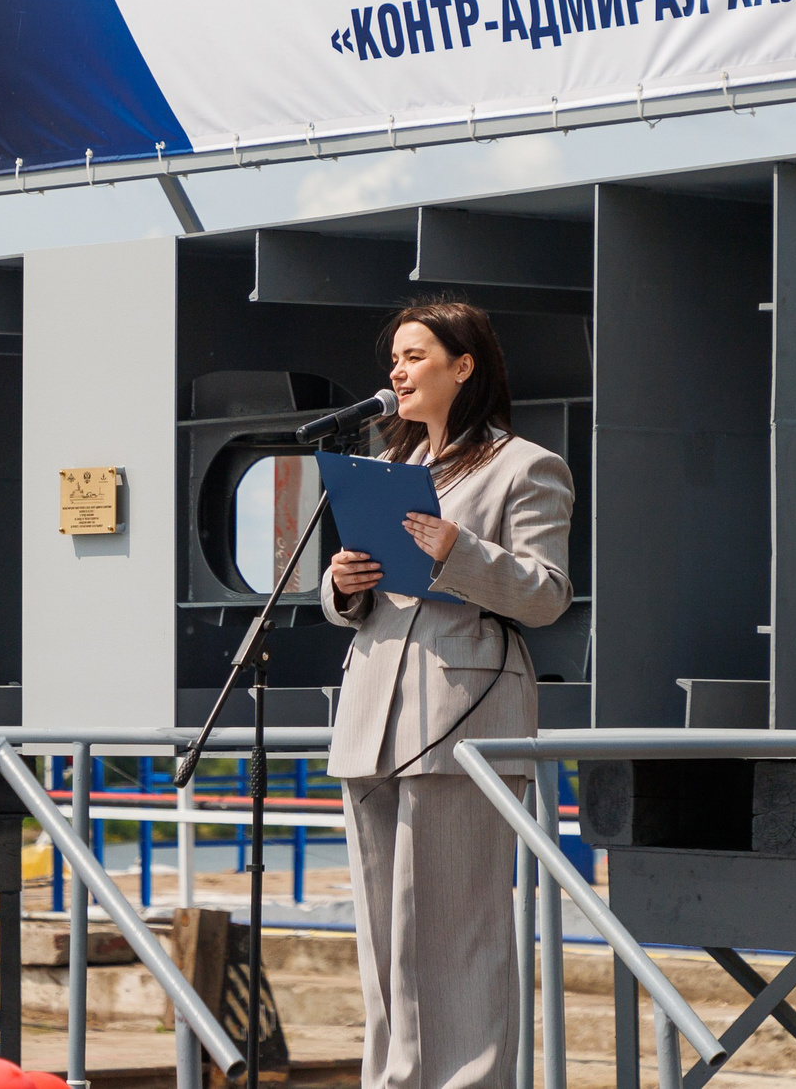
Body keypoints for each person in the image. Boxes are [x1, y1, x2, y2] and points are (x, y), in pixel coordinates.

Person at [320, 297, 574, 1089]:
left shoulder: (523, 465)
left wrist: (460, 552)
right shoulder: (389, 470)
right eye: (393, 358)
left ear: (464, 366)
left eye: (415, 355)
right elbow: (361, 598)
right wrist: (342, 585)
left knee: (456, 936)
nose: (396, 370)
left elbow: (547, 593)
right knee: (386, 943)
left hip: (460, 716)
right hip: (373, 719)